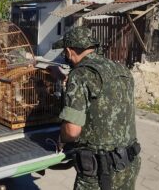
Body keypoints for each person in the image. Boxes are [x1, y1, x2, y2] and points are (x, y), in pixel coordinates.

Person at [55, 27, 141, 190]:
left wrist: (61, 138)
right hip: (129, 164)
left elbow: (72, 131)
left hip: (100, 173)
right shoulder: (121, 69)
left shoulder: (80, 75)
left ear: (68, 50)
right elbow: (103, 95)